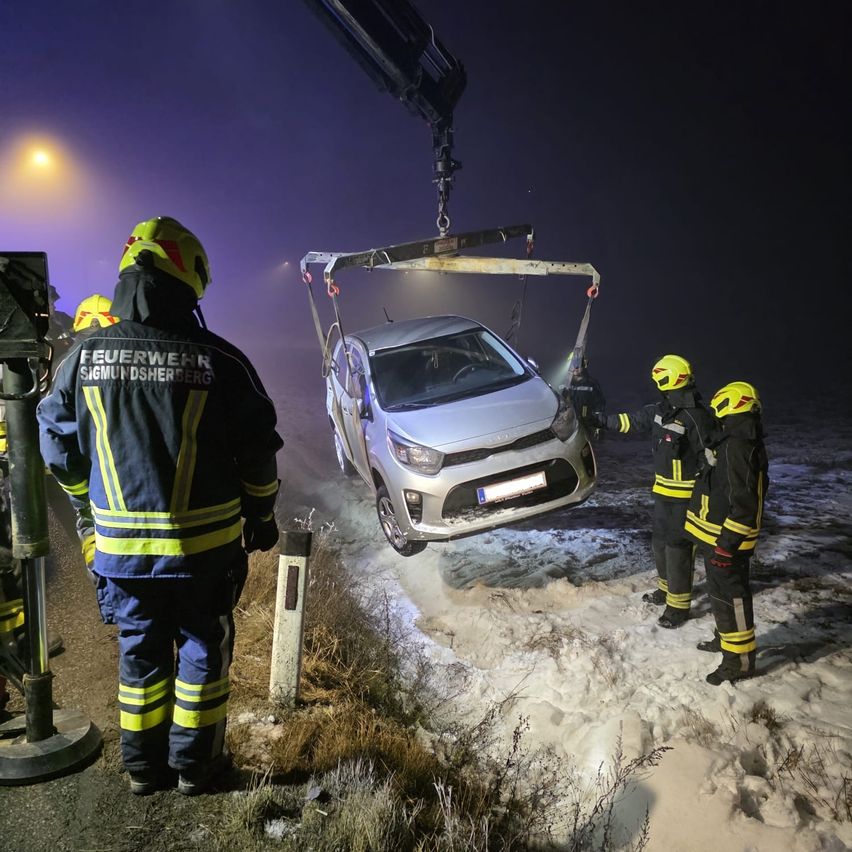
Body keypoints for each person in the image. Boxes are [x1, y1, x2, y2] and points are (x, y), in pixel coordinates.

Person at [37, 216, 283, 795]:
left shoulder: (83, 357)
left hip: (122, 553)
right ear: (190, 276)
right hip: (205, 550)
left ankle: (144, 770)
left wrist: (88, 505)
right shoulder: (223, 360)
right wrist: (262, 517)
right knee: (202, 651)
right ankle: (197, 768)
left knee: (140, 654)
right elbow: (258, 452)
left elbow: (54, 444)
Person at [593, 355, 717, 628]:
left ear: (666, 381)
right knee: (660, 543)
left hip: (686, 498)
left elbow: (710, 459)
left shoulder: (696, 416)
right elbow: (632, 421)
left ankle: (678, 606)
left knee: (678, 548)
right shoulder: (662, 410)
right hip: (663, 493)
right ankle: (666, 589)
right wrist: (600, 421)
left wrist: (704, 495)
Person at [685, 381, 768, 685]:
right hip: (719, 537)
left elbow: (743, 504)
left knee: (733, 599)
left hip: (728, 541)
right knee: (720, 596)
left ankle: (739, 662)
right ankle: (726, 641)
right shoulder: (735, 439)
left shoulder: (737, 445)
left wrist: (726, 546)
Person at [561, 357, 606, 438]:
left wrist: (598, 425)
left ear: (584, 365)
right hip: (569, 424)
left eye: (579, 364)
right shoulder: (564, 383)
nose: (576, 367)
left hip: (586, 423)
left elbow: (599, 404)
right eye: (573, 363)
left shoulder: (592, 383)